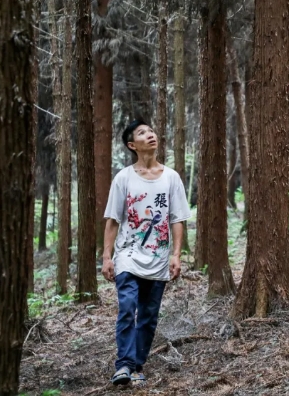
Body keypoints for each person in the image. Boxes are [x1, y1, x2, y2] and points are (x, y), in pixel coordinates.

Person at [102, 119, 191, 386]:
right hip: (128, 255)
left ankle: (138, 365)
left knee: (149, 315)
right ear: (132, 145)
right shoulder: (123, 178)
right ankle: (124, 365)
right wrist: (107, 257)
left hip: (159, 258)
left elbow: (177, 219)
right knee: (128, 308)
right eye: (142, 133)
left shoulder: (172, 177)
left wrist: (176, 255)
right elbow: (113, 220)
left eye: (151, 130)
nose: (150, 135)